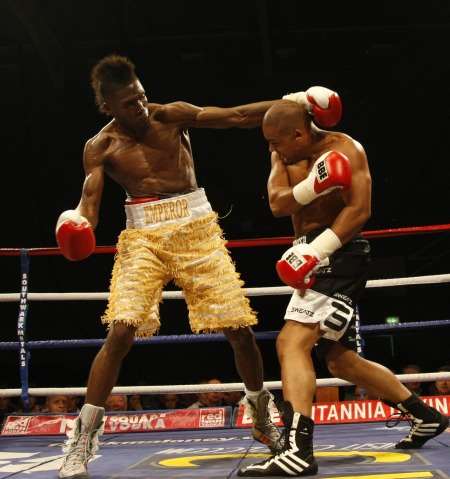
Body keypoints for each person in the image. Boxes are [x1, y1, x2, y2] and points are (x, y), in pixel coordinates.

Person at [55, 55, 348, 479]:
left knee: (240, 330)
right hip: (142, 236)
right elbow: (90, 202)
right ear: (108, 108)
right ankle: (81, 439)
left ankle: (261, 415)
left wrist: (294, 100)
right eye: (128, 104)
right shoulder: (101, 147)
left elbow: (236, 116)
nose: (140, 108)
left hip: (197, 228)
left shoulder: (170, 116)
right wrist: (76, 220)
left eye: (141, 97)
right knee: (120, 328)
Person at [238, 96, 449, 476]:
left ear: (300, 133)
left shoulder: (346, 150)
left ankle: (298, 450)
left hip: (339, 252)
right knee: (340, 360)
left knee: (291, 342)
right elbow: (277, 203)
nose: (271, 149)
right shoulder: (284, 154)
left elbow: (360, 210)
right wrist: (309, 186)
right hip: (307, 253)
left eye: (276, 142)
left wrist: (318, 250)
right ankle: (424, 415)